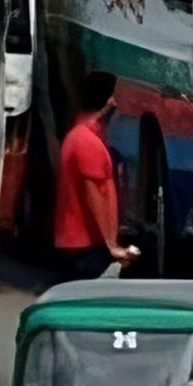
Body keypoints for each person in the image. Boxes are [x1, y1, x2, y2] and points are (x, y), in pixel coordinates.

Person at [50, 71, 140, 280]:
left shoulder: (79, 135)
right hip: (85, 246)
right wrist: (113, 246)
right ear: (109, 101)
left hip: (79, 245)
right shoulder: (86, 142)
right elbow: (96, 196)